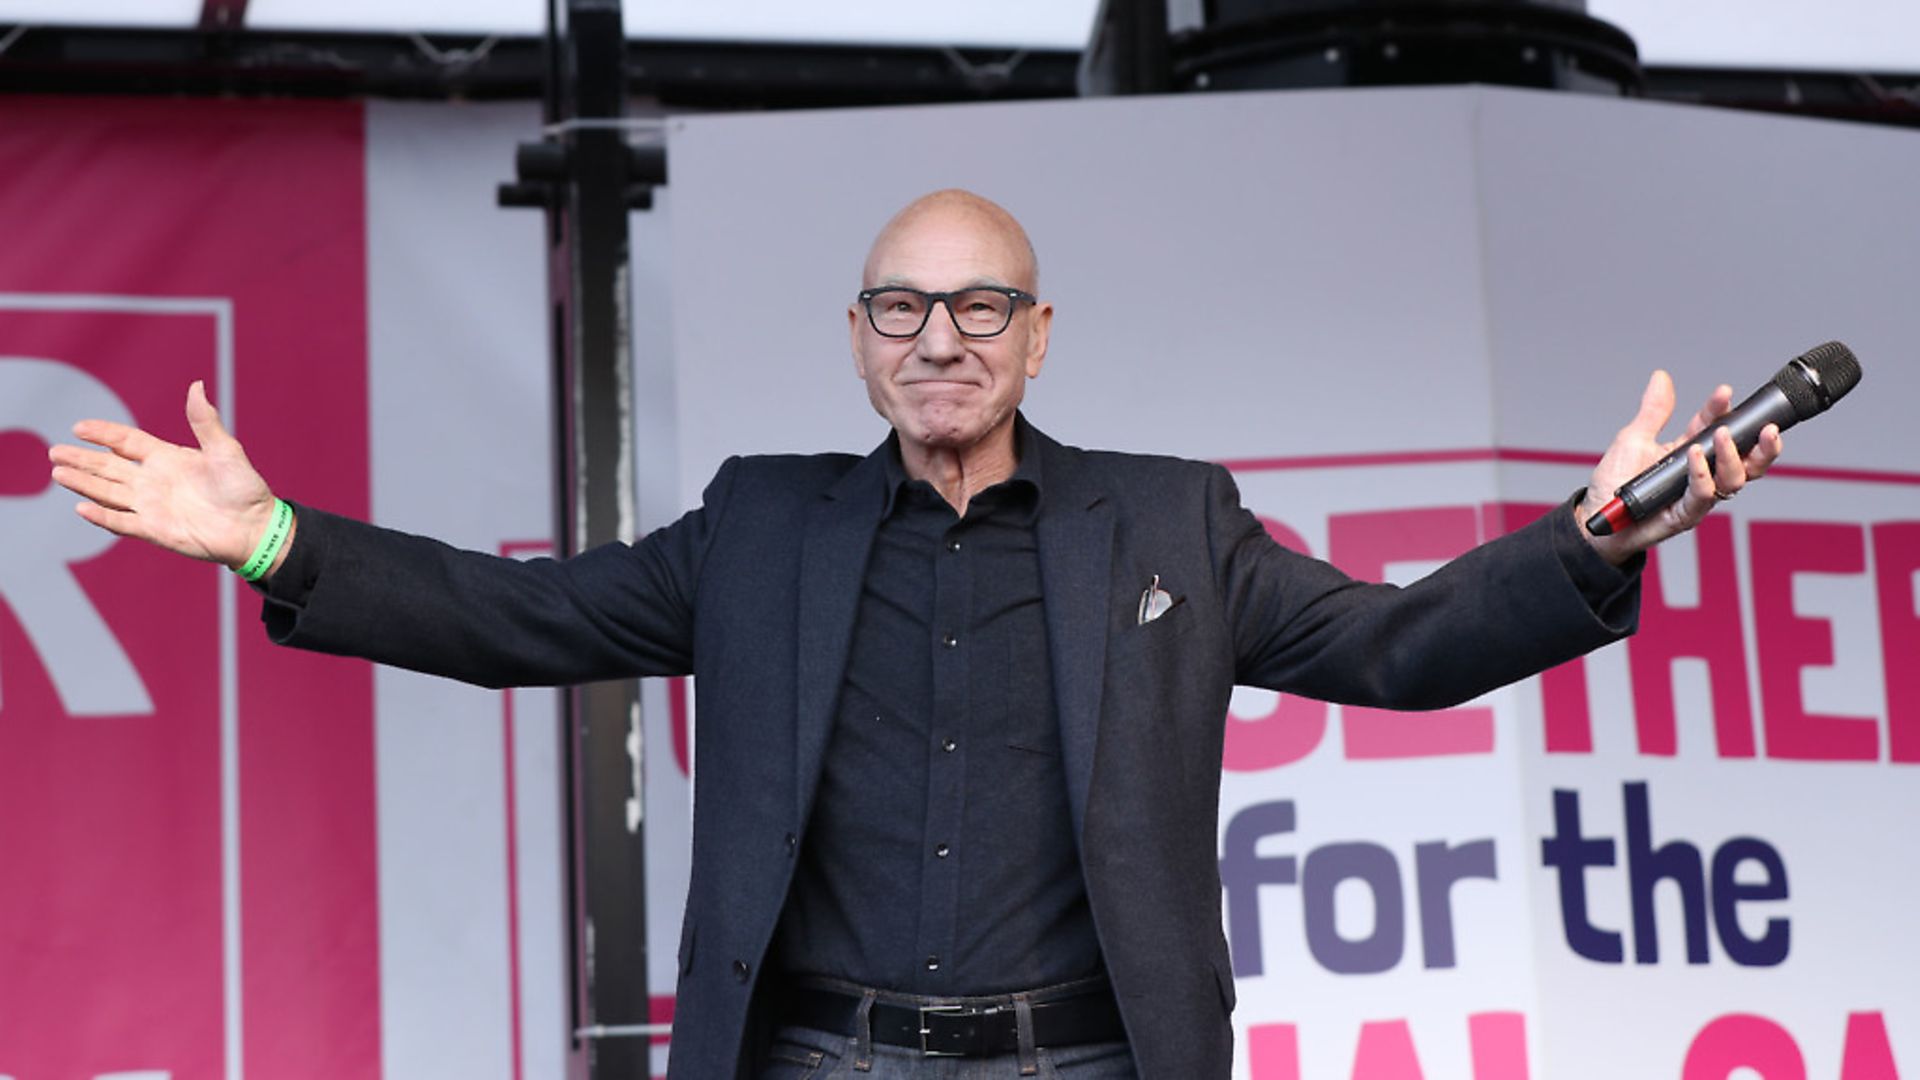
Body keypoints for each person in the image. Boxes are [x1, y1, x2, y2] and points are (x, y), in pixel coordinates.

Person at [49, 189, 1781, 1079]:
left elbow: (1397, 648)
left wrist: (1595, 537)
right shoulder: (761, 524)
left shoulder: (1169, 522)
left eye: (977, 309)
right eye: (901, 308)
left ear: (1038, 340)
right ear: (860, 339)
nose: (936, 338)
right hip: (816, 1059)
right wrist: (271, 536)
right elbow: (525, 617)